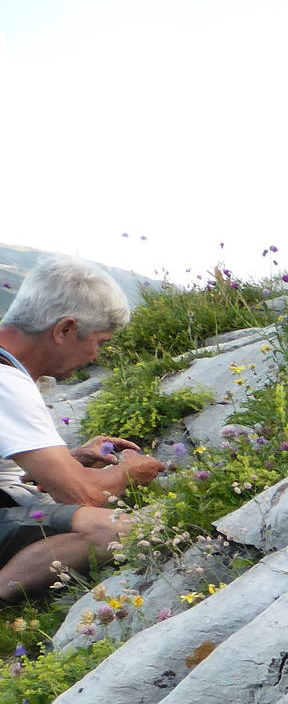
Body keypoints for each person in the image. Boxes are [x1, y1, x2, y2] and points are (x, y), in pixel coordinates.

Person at [0, 255, 165, 602]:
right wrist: (129, 472)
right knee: (121, 529)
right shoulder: (6, 384)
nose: (96, 356)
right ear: (65, 330)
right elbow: (81, 496)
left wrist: (70, 460)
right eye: (99, 342)